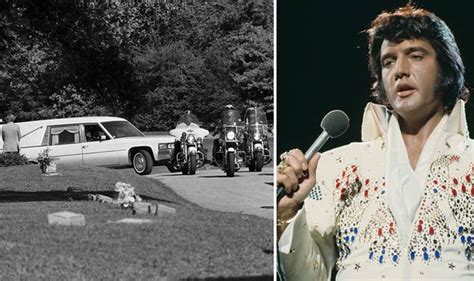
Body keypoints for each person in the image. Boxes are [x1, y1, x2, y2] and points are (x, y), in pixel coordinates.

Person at [277, 5, 473, 280]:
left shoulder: (471, 161)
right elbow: (309, 276)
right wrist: (286, 215)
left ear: (446, 69)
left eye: (415, 56)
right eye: (388, 62)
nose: (400, 71)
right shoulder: (338, 165)